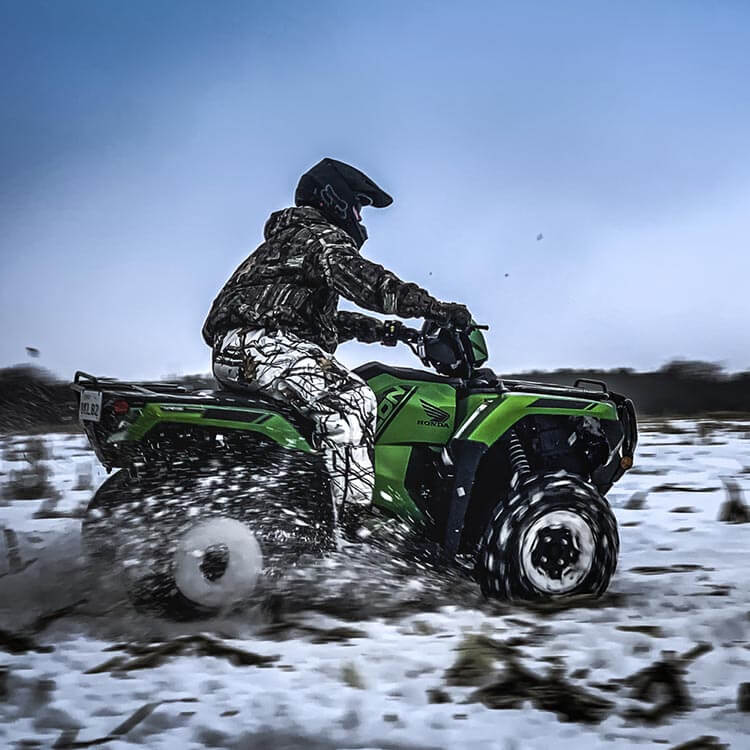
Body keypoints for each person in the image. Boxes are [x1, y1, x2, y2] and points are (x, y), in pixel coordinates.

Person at [202, 158, 472, 530]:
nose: (360, 219)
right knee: (352, 401)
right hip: (261, 347)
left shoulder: (289, 241)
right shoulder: (320, 237)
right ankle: (350, 530)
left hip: (244, 349)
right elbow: (370, 284)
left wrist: (394, 334)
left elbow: (323, 321)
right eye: (359, 206)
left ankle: (300, 506)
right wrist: (435, 308)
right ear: (336, 198)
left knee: (318, 419)